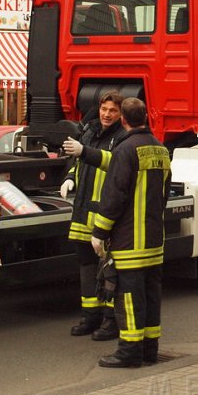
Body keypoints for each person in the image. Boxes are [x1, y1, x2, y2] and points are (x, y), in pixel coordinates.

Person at [92, 97, 170, 368]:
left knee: (128, 298)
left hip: (130, 242)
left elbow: (115, 195)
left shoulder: (125, 150)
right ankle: (150, 349)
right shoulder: (161, 150)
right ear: (145, 117)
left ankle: (129, 352)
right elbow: (164, 195)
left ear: (123, 120)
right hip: (154, 240)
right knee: (151, 295)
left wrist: (99, 232)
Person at [61, 92, 125, 341]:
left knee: (108, 270)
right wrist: (69, 177)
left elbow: (114, 163)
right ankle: (90, 316)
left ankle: (111, 320)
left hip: (105, 214)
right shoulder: (91, 131)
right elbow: (78, 163)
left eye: (113, 111)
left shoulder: (121, 137)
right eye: (104, 109)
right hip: (83, 210)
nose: (107, 114)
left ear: (121, 114)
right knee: (86, 266)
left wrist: (84, 151)